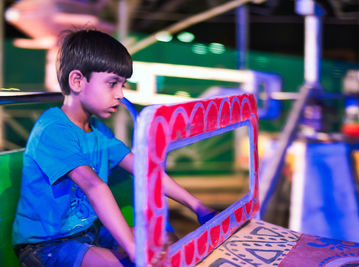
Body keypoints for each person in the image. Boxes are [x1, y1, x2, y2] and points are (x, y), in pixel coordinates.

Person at [12, 29, 216, 267]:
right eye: (112, 84)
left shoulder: (98, 131)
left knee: (165, 240)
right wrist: (133, 249)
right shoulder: (53, 129)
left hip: (89, 233)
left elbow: (143, 170)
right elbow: (94, 186)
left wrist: (197, 206)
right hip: (45, 245)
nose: (120, 94)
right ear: (77, 81)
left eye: (123, 85)